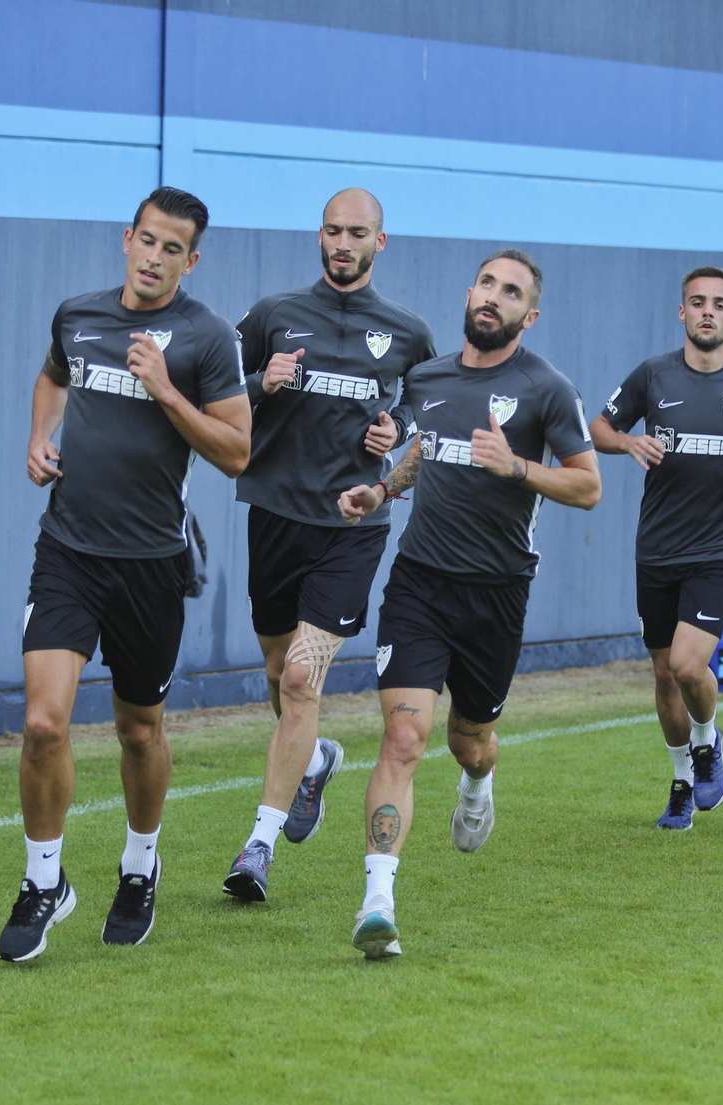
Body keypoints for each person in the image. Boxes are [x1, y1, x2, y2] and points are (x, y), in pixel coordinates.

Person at [0, 187, 250, 961]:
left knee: (139, 730)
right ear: (127, 238)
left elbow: (237, 451)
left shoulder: (207, 337)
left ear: (190, 260)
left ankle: (140, 864)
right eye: (147, 239)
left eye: (172, 248)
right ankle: (44, 880)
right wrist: (40, 436)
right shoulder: (78, 315)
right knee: (44, 722)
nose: (154, 257)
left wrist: (166, 388)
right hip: (68, 551)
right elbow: (53, 376)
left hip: (151, 567)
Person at [337, 250, 600, 958]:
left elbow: (588, 486)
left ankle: (478, 782)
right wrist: (382, 490)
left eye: (511, 292)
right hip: (419, 583)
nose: (494, 297)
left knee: (468, 740)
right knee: (403, 739)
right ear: (469, 292)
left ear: (529, 316)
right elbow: (427, 449)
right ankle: (377, 901)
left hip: (497, 592)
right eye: (487, 284)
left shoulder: (547, 388)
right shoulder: (428, 377)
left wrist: (515, 466)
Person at [221, 188, 435, 902]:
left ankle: (258, 845)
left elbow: (425, 407)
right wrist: (261, 382)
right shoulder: (273, 314)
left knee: (298, 679)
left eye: (358, 233)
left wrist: (396, 431)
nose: (344, 243)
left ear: (381, 241)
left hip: (353, 525)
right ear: (320, 236)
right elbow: (214, 390)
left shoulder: (407, 331)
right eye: (334, 231)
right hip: (273, 516)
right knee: (277, 669)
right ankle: (313, 761)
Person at [589, 268, 723, 829]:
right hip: (657, 546)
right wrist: (627, 441)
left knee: (687, 664)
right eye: (697, 302)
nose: (707, 312)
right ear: (682, 312)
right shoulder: (653, 374)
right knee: (663, 674)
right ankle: (682, 780)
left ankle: (707, 740)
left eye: (719, 304)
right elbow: (598, 428)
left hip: (719, 545)